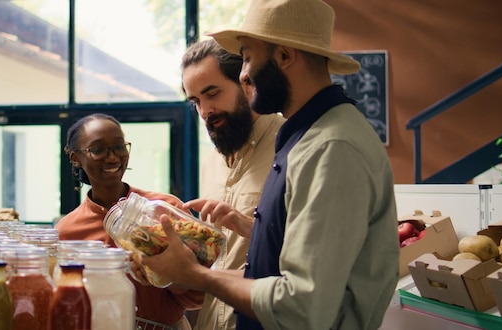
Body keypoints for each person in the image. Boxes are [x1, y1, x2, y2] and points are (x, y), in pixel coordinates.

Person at [141, 1, 400, 329]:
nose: (245, 73)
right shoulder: (309, 136)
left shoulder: (331, 147)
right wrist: (253, 231)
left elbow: (303, 306)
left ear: (284, 56)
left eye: (248, 56)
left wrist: (197, 276)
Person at [55, 113, 203, 330]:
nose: (113, 157)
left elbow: (197, 297)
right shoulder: (67, 232)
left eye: (119, 147)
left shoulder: (164, 209)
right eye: (98, 150)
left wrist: (168, 275)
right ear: (76, 158)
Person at [180, 39, 285, 330]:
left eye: (212, 94)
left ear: (246, 82)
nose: (205, 111)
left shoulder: (292, 148)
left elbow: (313, 254)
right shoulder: (211, 162)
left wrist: (249, 227)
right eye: (196, 101)